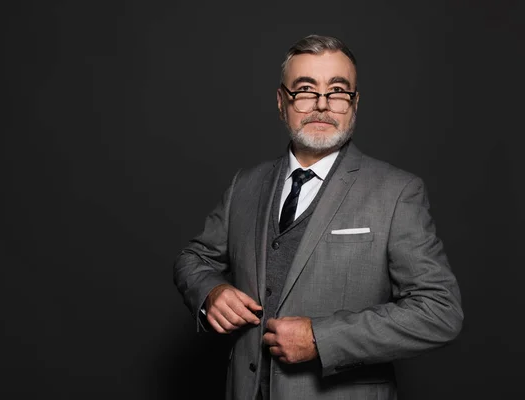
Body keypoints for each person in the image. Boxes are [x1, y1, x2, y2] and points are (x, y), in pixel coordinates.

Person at [173, 34, 463, 400]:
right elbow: (193, 259)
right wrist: (210, 292)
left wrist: (321, 338)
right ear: (282, 102)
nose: (322, 105)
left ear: (354, 104)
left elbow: (440, 312)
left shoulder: (397, 192)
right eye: (306, 90)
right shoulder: (245, 185)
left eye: (338, 91)